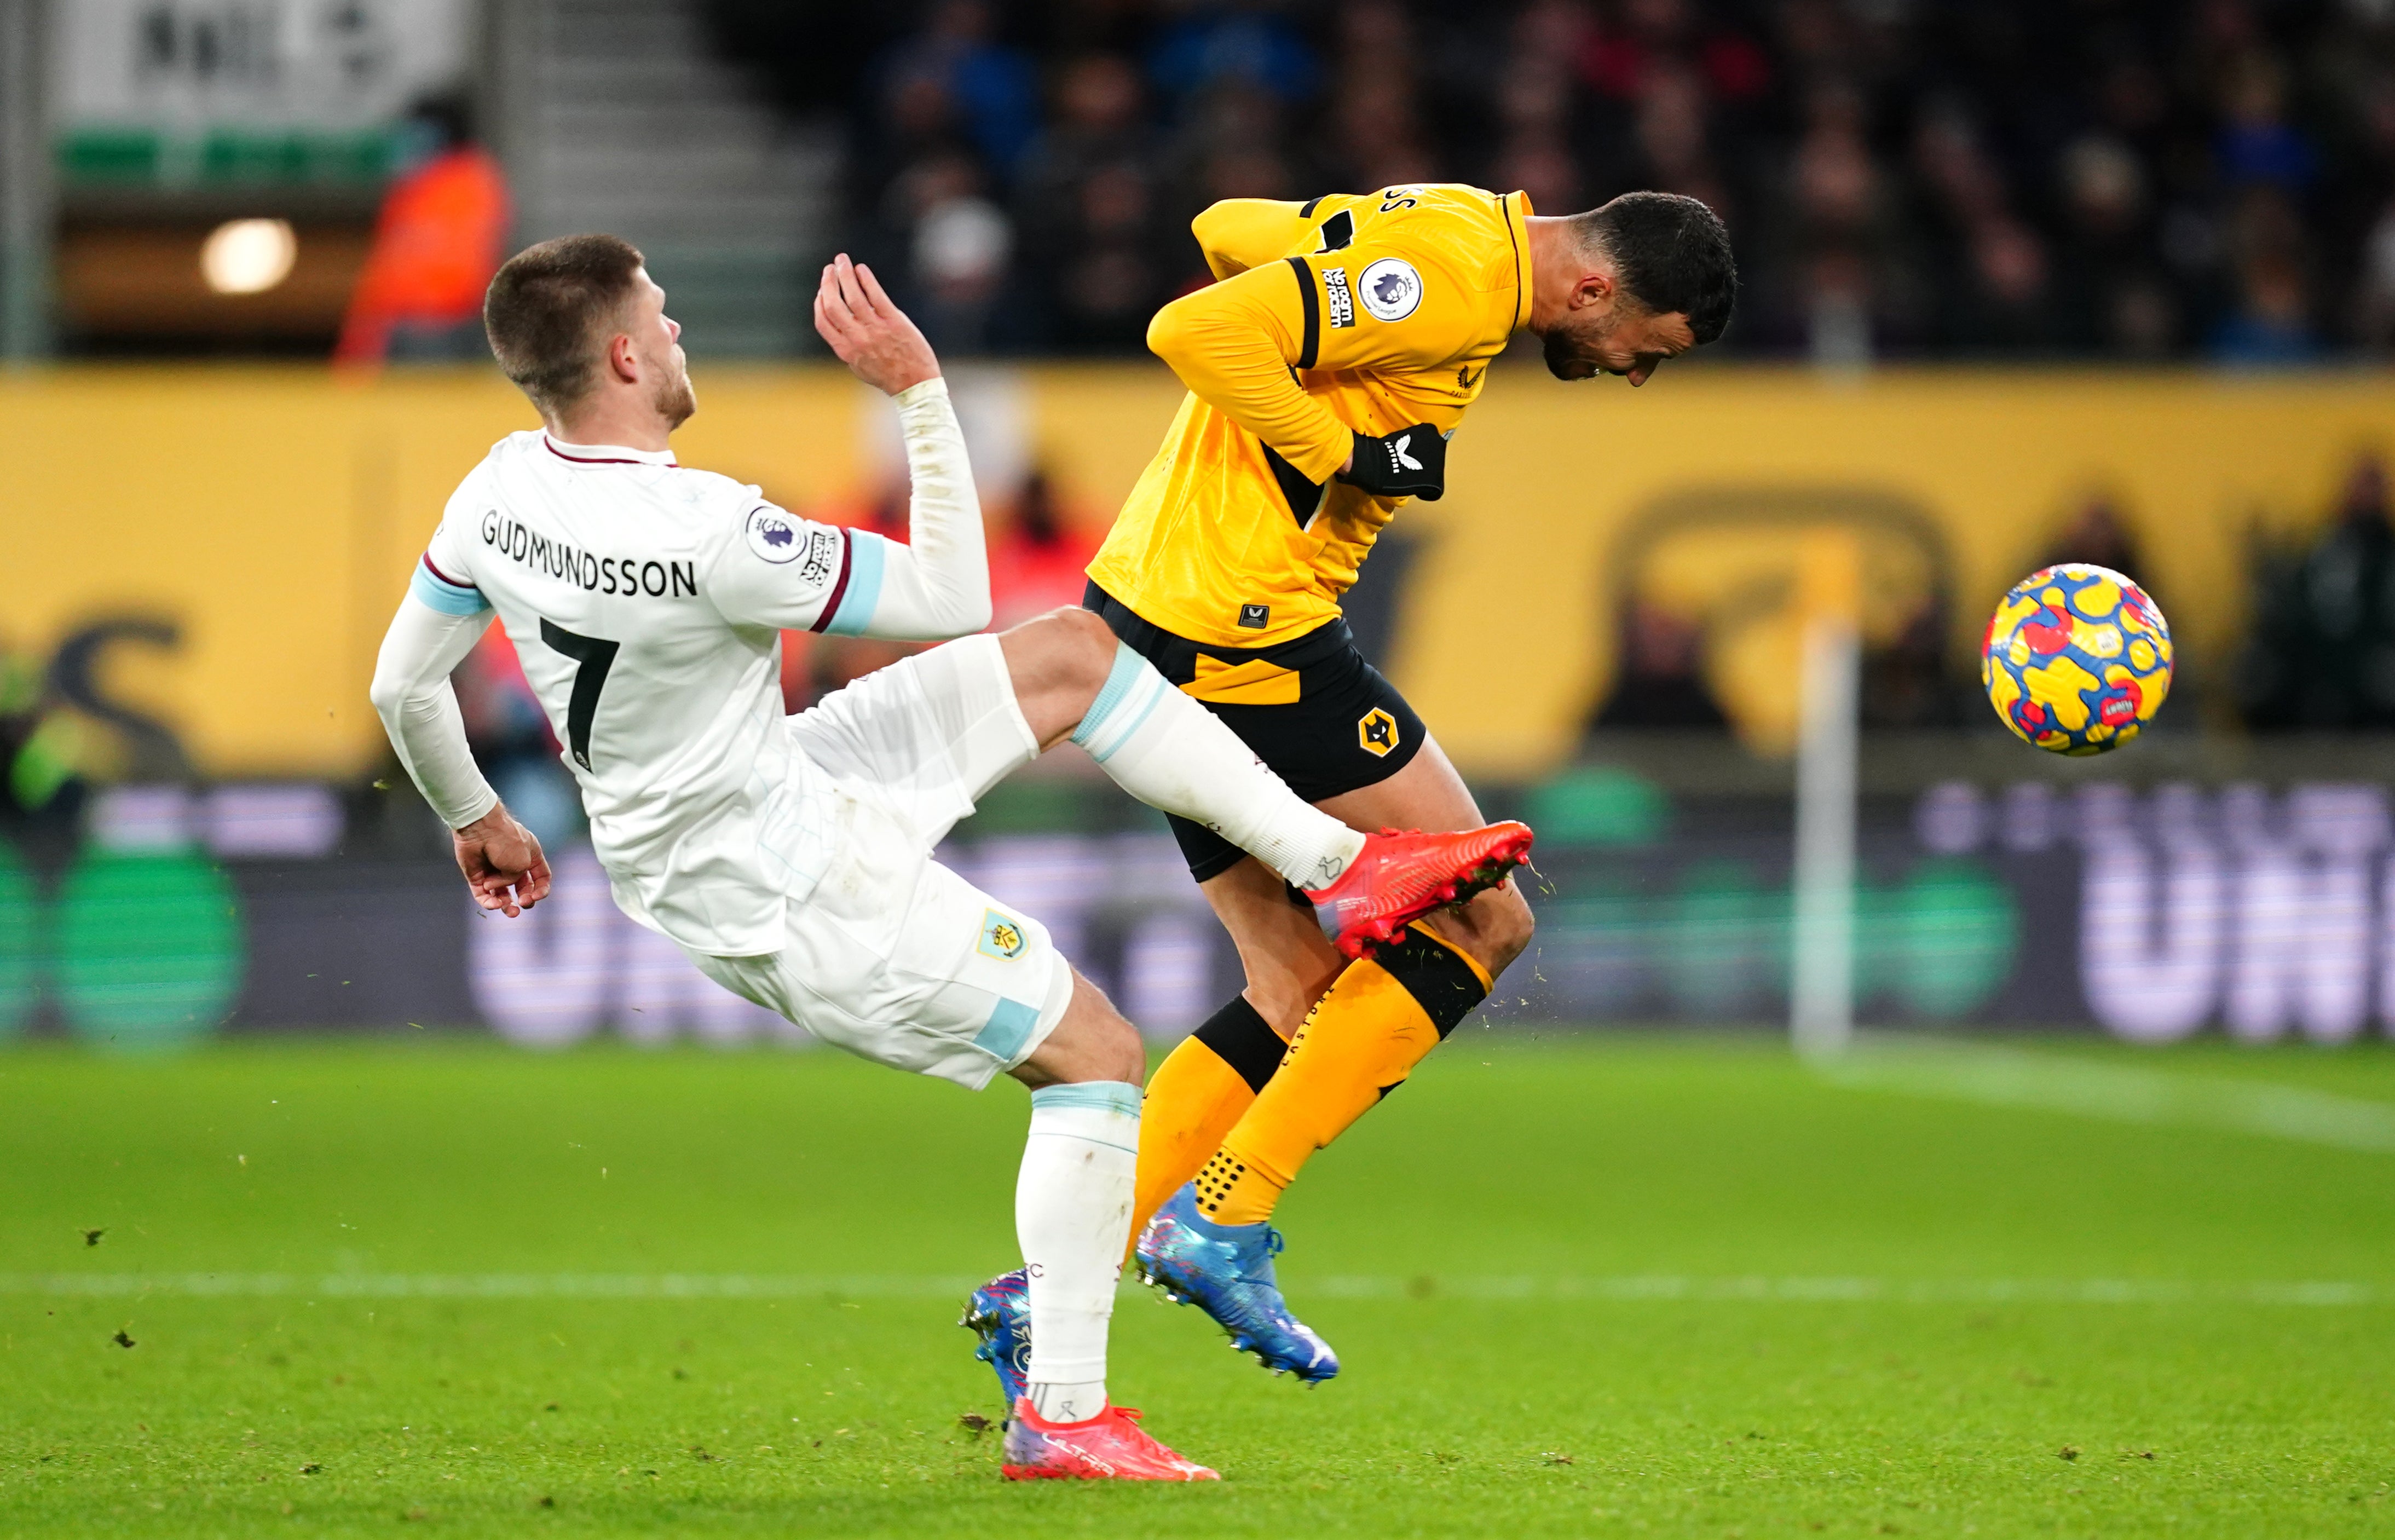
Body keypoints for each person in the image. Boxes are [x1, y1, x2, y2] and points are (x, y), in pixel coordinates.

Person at [367, 235, 1530, 1480]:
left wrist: (474, 814)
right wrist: (921, 394)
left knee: (1074, 656)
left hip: (758, 781)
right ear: (624, 352)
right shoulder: (711, 530)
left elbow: (404, 683)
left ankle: (1336, 866)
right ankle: (1065, 1414)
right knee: (1094, 1057)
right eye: (665, 314)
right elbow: (942, 592)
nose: (679, 330)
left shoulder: (496, 488)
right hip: (776, 868)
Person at [968, 186, 1736, 1392]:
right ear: (1593, 287)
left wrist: (1330, 281)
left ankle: (1055, 1291)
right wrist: (1346, 452)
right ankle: (1223, 1223)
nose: (1634, 373)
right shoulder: (1452, 271)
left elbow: (1222, 224)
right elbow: (1192, 327)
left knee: (1295, 981)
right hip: (1240, 626)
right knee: (1488, 914)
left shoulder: (1433, 227)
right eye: (1647, 350)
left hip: (1156, 619)